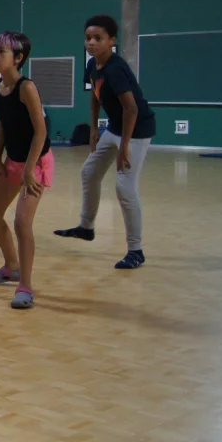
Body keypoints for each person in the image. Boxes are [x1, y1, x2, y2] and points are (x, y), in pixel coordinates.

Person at [54, 14, 156, 270]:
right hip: (114, 128)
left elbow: (131, 109)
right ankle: (86, 227)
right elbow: (95, 95)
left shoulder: (116, 69)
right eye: (88, 38)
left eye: (98, 38)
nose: (91, 42)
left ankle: (136, 251)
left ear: (112, 40)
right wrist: (93, 128)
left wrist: (124, 147)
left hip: (137, 130)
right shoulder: (93, 65)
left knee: (125, 188)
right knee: (89, 172)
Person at [0, 31, 50, 309]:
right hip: (13, 160)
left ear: (19, 58)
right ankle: (11, 266)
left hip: (37, 161)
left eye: (2, 52)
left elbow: (41, 131)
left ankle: (26, 286)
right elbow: (3, 124)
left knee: (22, 222)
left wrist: (30, 170)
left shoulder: (27, 88)